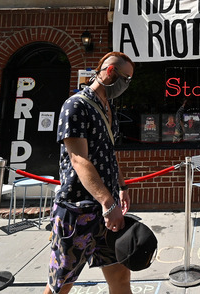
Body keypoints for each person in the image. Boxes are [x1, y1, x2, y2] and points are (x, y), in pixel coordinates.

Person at [44, 51, 135, 294]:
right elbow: (79, 159)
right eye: (126, 78)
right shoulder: (76, 105)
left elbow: (109, 152)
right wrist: (108, 202)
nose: (127, 85)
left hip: (107, 212)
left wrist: (122, 186)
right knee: (60, 285)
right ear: (111, 72)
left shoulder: (109, 109)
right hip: (78, 211)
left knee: (120, 276)